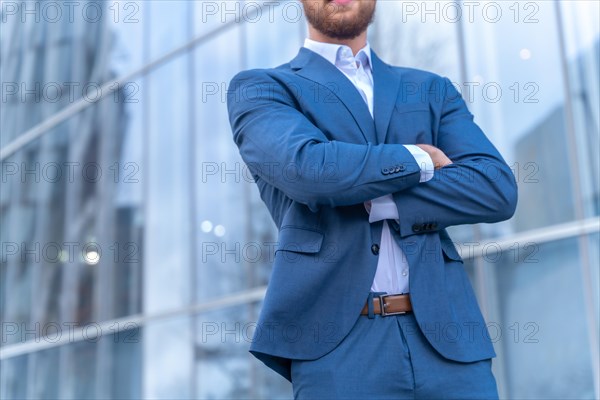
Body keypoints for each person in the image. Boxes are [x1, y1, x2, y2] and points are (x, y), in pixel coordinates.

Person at [227, 0, 518, 398]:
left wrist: (376, 198)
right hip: (338, 352)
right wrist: (418, 157)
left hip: (449, 345)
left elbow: (495, 189)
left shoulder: (430, 89)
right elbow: (308, 170)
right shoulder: (263, 88)